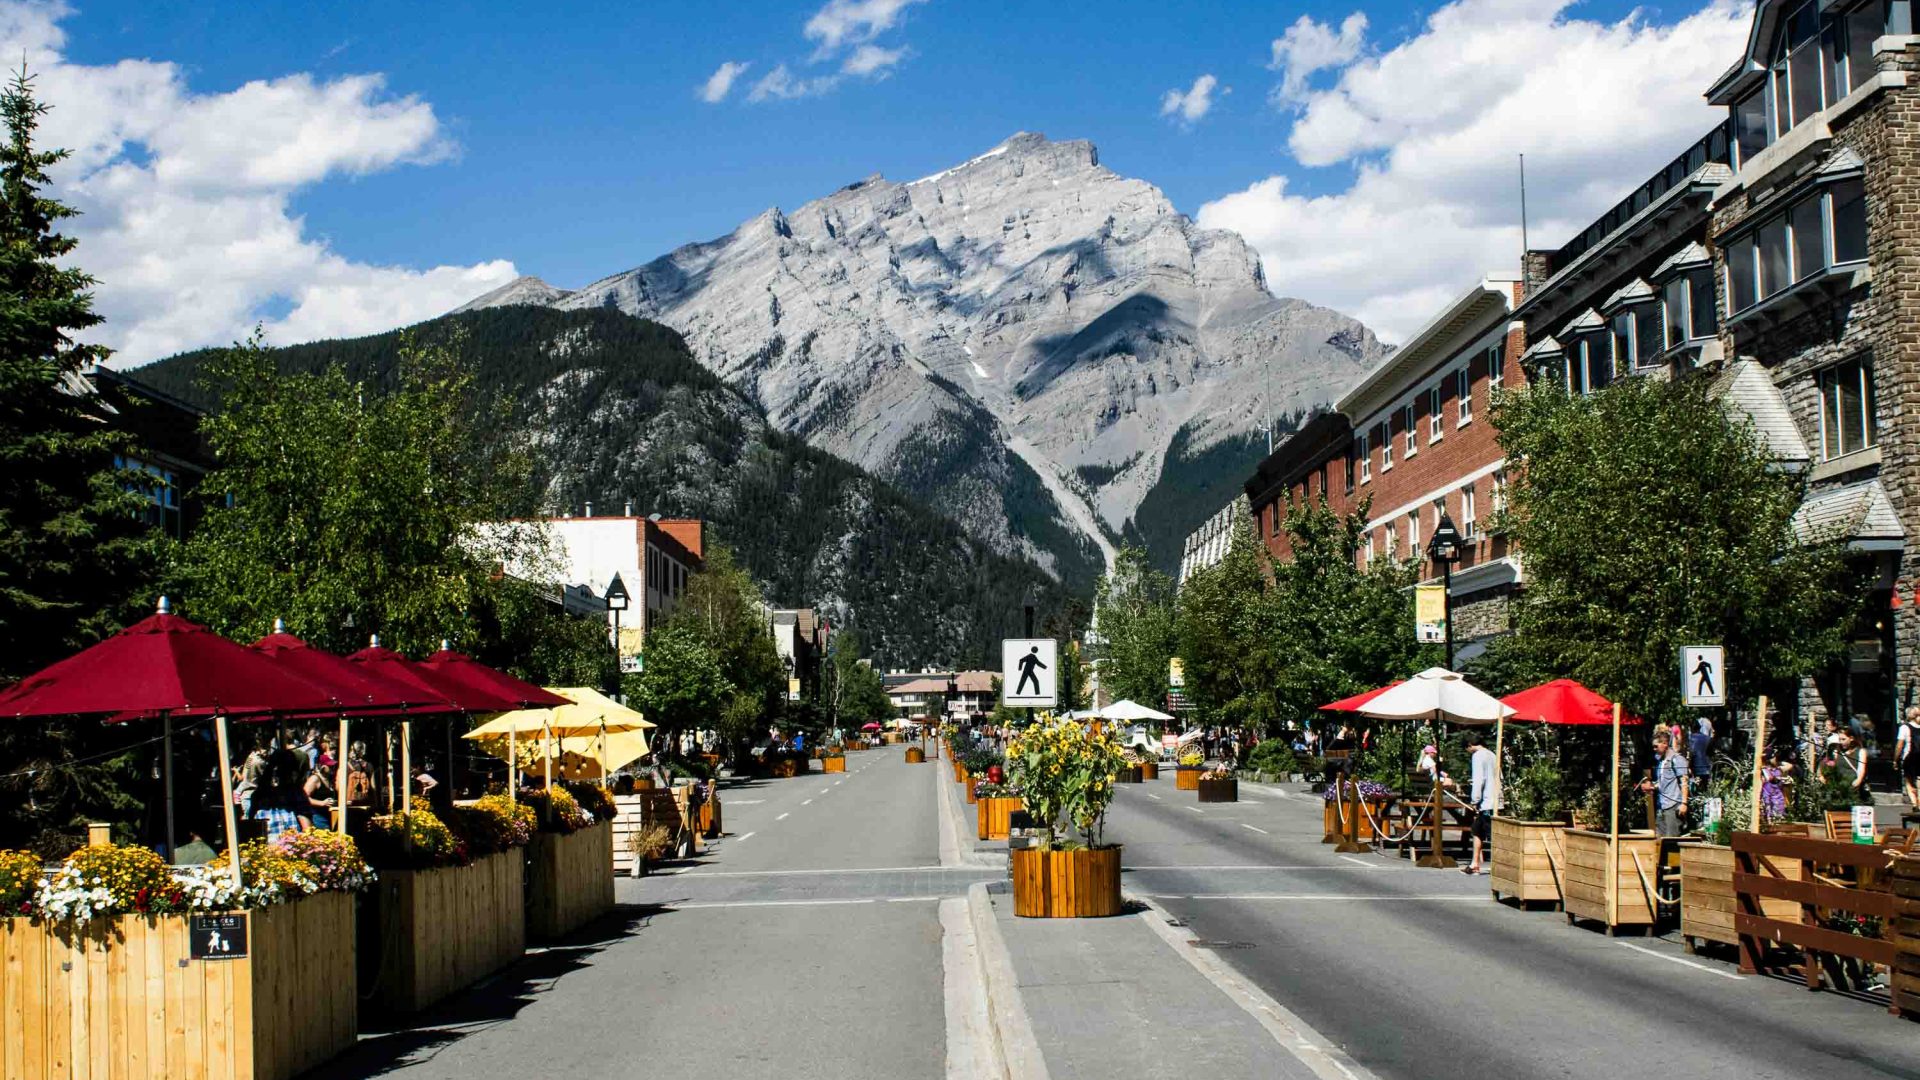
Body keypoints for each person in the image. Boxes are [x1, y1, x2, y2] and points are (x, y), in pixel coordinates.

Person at [250, 747, 313, 843]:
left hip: (291, 847)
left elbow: (307, 828)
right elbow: (253, 828)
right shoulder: (259, 795)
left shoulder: (296, 794)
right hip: (267, 848)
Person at [1641, 731, 1692, 837]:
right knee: (1659, 838)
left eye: (1656, 746)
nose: (1654, 749)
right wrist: (1652, 787)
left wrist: (1684, 803)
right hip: (1662, 805)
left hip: (1673, 805)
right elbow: (1662, 782)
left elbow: (1684, 781)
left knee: (1671, 838)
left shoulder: (1677, 759)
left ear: (1664, 744)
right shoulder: (1661, 761)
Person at [1464, 734, 1498, 875]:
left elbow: (1479, 779)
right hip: (1496, 799)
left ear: (1470, 745)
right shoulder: (1492, 754)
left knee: (1492, 835)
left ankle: (1499, 865)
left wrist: (1474, 800)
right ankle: (1474, 864)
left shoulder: (1477, 756)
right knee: (1477, 830)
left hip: (1487, 801)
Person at [1833, 729, 1869, 795]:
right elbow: (1831, 765)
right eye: (1839, 739)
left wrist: (1858, 780)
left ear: (1851, 738)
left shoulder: (1861, 752)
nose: (1841, 742)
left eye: (1843, 739)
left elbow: (1861, 769)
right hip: (1838, 787)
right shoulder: (1836, 751)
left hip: (1853, 787)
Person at [1898, 706, 1920, 810]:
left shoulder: (1905, 727)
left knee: (1909, 781)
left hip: (1910, 757)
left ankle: (1915, 803)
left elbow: (1899, 745)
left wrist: (1895, 759)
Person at [1689, 718, 1714, 786]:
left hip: (1695, 768)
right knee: (1705, 789)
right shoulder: (1708, 739)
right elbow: (1711, 753)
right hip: (1706, 767)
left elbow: (1690, 753)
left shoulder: (1690, 739)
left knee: (1696, 789)